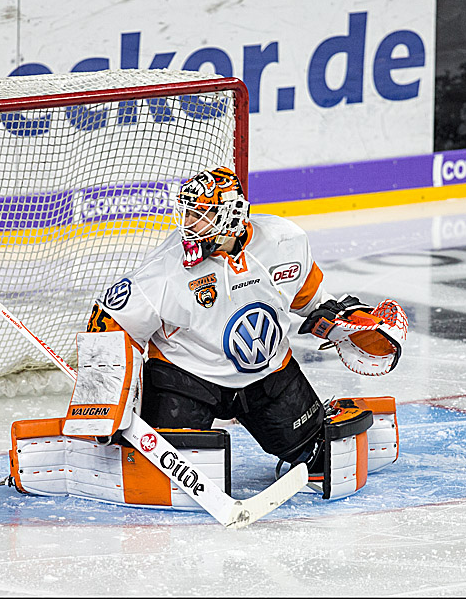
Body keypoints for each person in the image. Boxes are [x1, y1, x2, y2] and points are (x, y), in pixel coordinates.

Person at [85, 166, 400, 487]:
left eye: (201, 215)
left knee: (318, 455)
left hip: (268, 375)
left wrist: (337, 321)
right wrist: (104, 403)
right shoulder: (165, 269)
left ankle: (310, 432)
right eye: (188, 214)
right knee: (161, 473)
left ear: (231, 216)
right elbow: (111, 322)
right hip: (188, 380)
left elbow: (308, 299)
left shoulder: (284, 242)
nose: (188, 225)